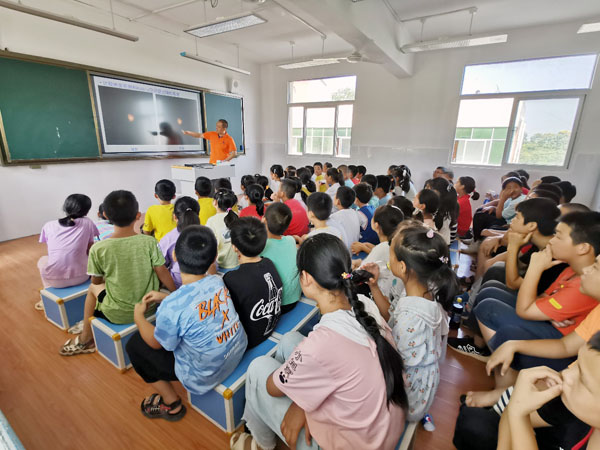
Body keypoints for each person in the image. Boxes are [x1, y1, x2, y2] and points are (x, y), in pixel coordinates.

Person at [231, 234, 408, 450]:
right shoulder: (363, 304)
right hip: (383, 429)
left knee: (258, 368)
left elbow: (272, 388)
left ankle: (261, 443)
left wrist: (302, 401)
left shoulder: (320, 345)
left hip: (356, 443)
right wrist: (302, 402)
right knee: (289, 340)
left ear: (306, 278)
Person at [465, 212, 600, 407]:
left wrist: (535, 267)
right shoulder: (571, 270)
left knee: (499, 319)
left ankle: (503, 390)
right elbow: (542, 298)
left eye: (558, 236)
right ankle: (502, 385)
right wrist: (547, 311)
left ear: (583, 247)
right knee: (491, 291)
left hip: (562, 351)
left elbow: (525, 308)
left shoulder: (582, 285)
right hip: (557, 336)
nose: (552, 240)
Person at [126, 226, 247, 421]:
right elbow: (194, 303)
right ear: (214, 258)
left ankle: (171, 403)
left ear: (174, 255)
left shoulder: (172, 307)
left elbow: (156, 343)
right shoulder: (217, 281)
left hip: (204, 375)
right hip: (237, 353)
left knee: (134, 345)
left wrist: (138, 317)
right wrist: (167, 298)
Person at [59, 190, 176, 356]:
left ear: (105, 215)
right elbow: (162, 272)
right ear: (138, 215)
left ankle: (85, 337)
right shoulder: (149, 242)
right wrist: (176, 294)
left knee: (92, 289)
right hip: (148, 307)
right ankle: (88, 327)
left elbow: (96, 282)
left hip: (117, 313)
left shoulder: (99, 248)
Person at [368, 226, 459, 428]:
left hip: (412, 387)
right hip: (427, 380)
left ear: (402, 267)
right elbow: (393, 316)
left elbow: (396, 359)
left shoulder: (410, 316)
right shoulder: (428, 291)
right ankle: (421, 414)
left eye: (390, 254)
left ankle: (409, 417)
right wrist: (374, 286)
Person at [497, 331, 600, 450]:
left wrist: (518, 415)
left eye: (583, 380)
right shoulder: (569, 405)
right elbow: (509, 416)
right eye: (577, 362)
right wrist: (517, 411)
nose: (566, 374)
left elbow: (514, 412)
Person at [224, 217, 283, 349]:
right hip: (272, 327)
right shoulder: (269, 263)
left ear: (234, 247)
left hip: (250, 340)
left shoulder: (231, 279)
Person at [37, 194, 99, 307]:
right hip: (82, 277)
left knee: (42, 259)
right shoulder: (88, 222)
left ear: (65, 207)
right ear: (87, 211)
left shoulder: (48, 225)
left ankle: (47, 291)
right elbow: (90, 250)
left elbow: (52, 251)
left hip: (54, 281)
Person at [357, 205, 406, 307]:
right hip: (396, 296)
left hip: (382, 300)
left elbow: (357, 275)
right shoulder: (398, 244)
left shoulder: (382, 248)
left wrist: (344, 273)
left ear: (376, 225)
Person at [261, 203, 302, 314]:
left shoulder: (261, 247)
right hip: (294, 298)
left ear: (264, 220)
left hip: (275, 305)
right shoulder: (290, 241)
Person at [159, 196, 201, 289]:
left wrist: (173, 291)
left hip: (178, 284)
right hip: (204, 282)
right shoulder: (207, 234)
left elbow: (160, 265)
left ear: (175, 217)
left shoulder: (168, 239)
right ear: (197, 215)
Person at [206, 188, 239, 272]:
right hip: (238, 262)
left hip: (221, 266)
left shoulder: (211, 221)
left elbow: (209, 246)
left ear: (215, 202)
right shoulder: (236, 216)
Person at [330, 186, 365, 253]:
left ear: (338, 201)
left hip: (342, 253)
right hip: (354, 250)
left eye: (335, 196)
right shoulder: (356, 213)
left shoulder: (334, 217)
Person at [426, 177, 459, 245]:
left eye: (429, 190)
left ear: (438, 193)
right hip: (447, 240)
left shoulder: (441, 213)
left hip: (443, 244)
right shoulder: (448, 205)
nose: (426, 193)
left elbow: (430, 235)